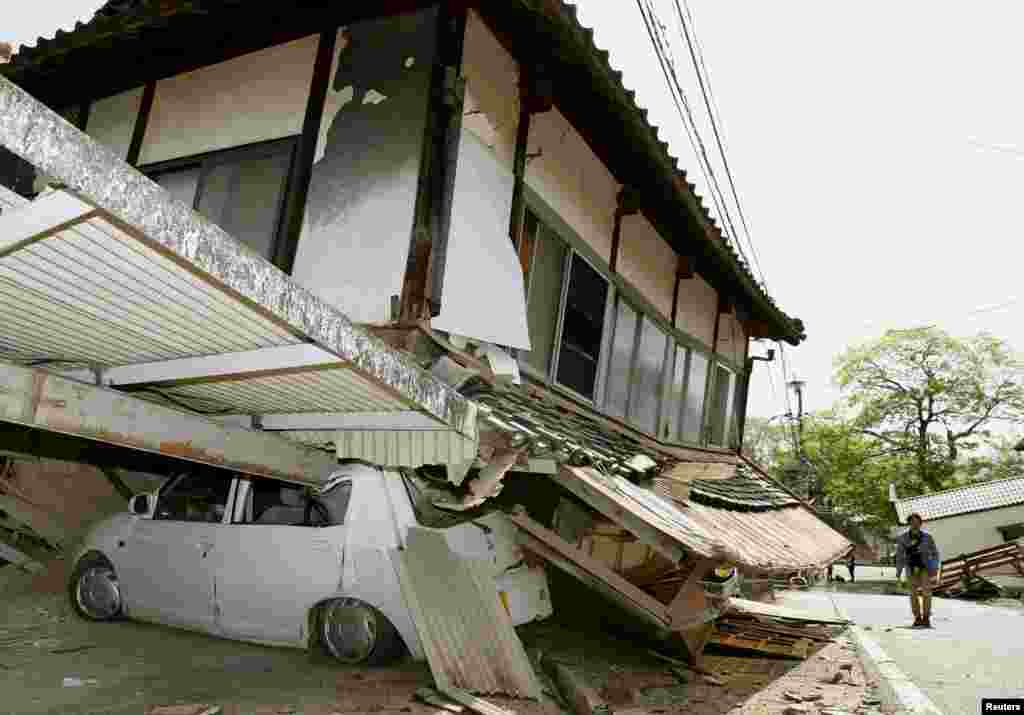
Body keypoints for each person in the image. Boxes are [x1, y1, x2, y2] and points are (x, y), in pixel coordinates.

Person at [894, 513, 941, 628]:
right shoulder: (903, 537)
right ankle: (917, 617)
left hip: (925, 568)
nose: (915, 524)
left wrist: (935, 568)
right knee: (913, 594)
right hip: (910, 568)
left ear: (921, 523)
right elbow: (900, 555)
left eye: (917, 522)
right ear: (909, 523)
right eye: (912, 522)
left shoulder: (927, 537)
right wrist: (899, 571)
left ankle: (926, 617)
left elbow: (935, 553)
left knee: (927, 593)